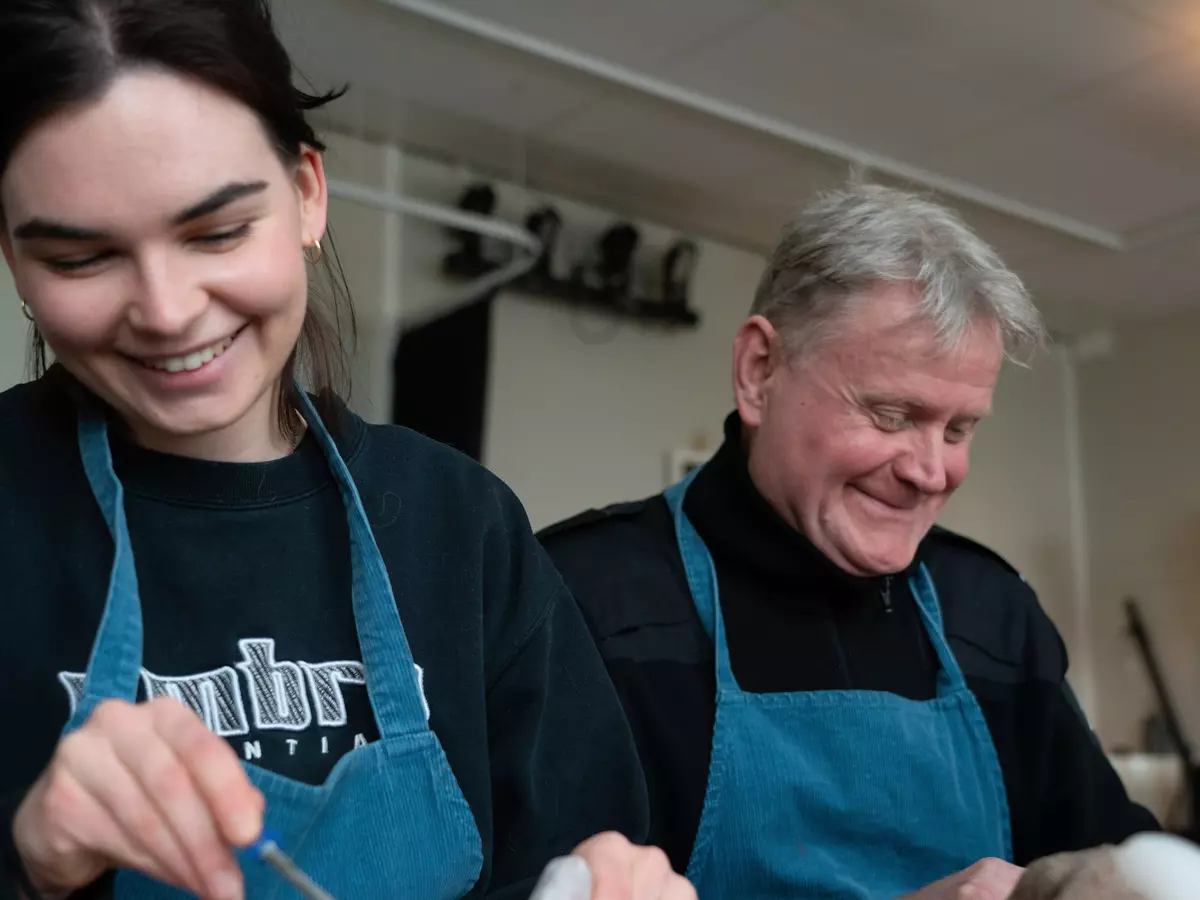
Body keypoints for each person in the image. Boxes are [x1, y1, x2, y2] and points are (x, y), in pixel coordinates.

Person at [0, 3, 695, 899]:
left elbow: (586, 846)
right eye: (83, 258)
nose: (167, 312)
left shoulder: (460, 524)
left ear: (307, 195)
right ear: (14, 257)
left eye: (217, 232)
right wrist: (31, 860)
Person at [539, 184, 1160, 899]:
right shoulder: (585, 603)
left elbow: (1128, 866)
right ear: (759, 372)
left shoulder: (991, 618)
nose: (931, 472)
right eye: (893, 415)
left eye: (959, 430)